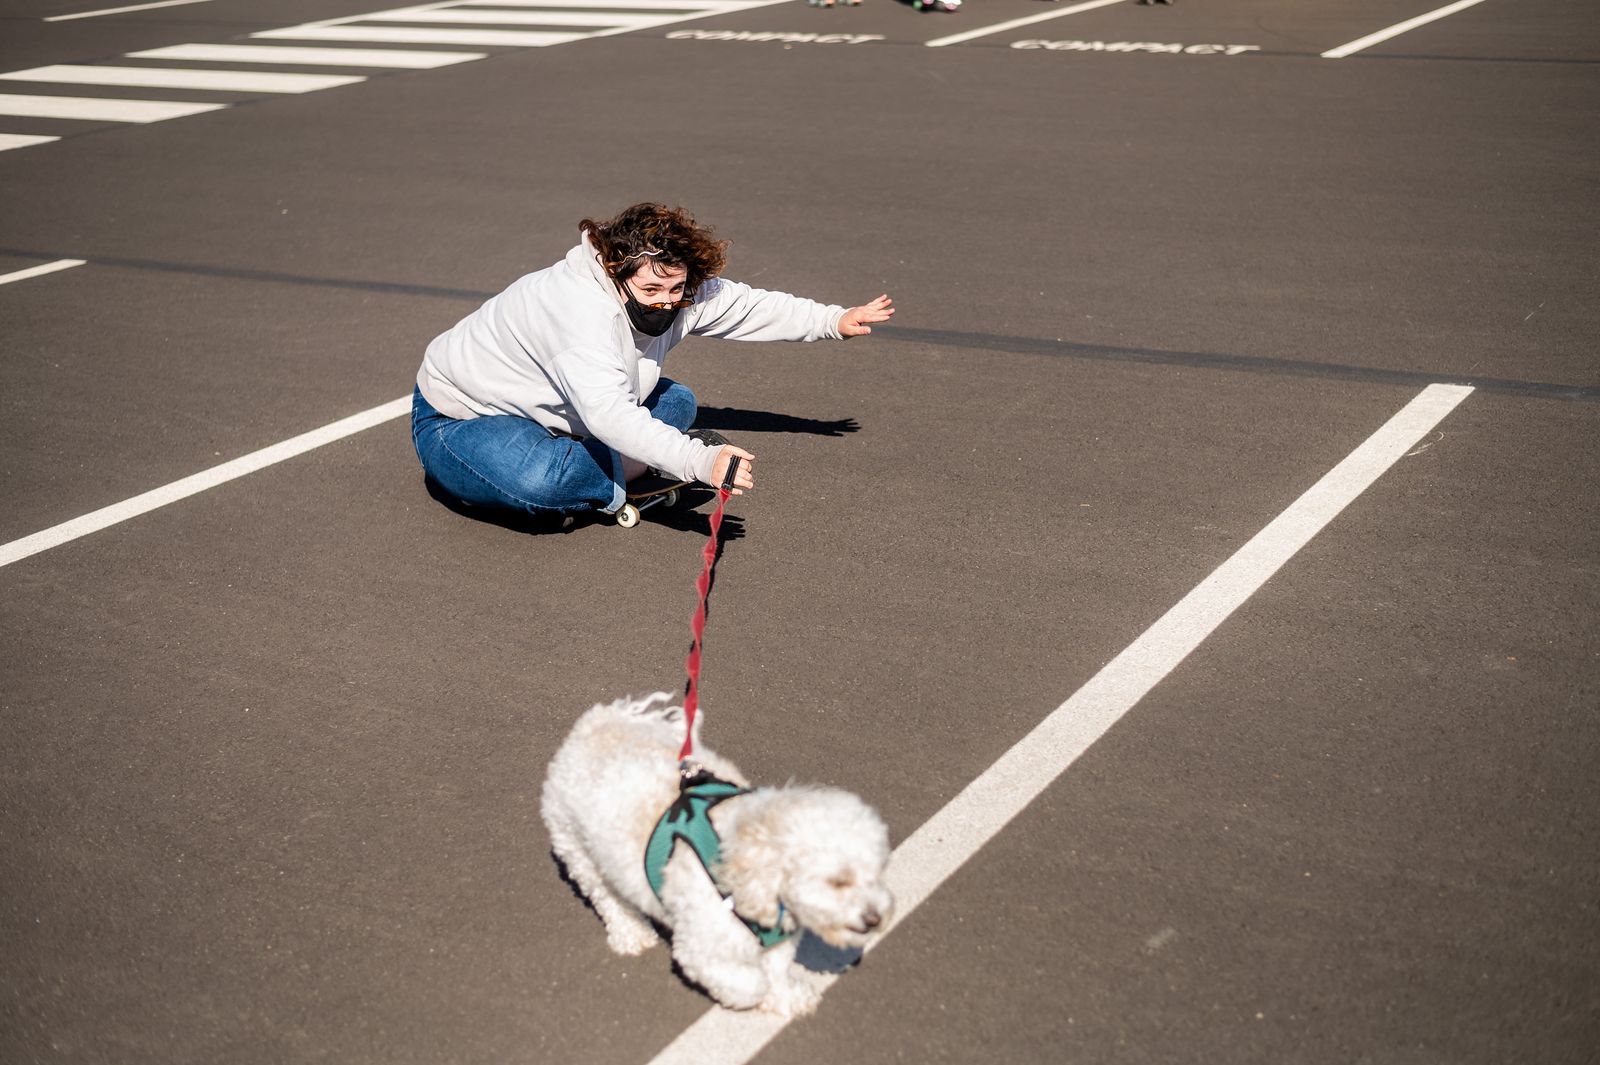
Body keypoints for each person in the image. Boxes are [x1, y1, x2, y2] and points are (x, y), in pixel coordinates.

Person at [411, 202, 894, 524]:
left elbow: (748, 307)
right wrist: (697, 459)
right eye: (650, 291)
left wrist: (834, 320)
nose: (665, 302)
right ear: (614, 270)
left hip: (564, 409)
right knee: (541, 483)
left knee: (677, 400)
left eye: (676, 290)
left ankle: (623, 465)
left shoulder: (676, 283)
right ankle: (632, 467)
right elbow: (610, 415)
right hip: (461, 419)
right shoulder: (578, 315)